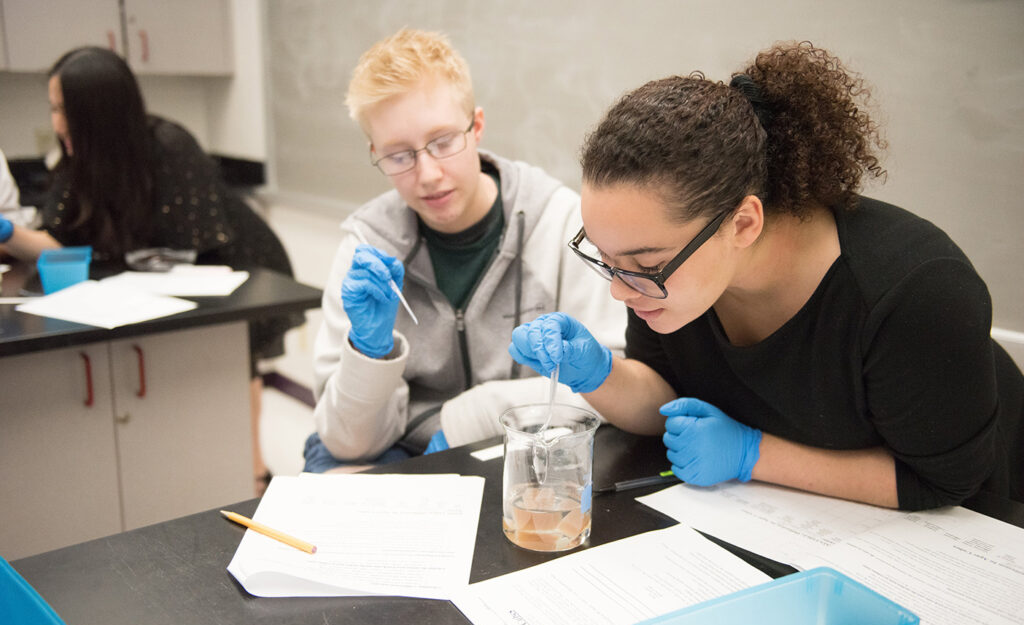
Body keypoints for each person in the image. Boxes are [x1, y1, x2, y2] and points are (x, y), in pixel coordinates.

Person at [509, 42, 1024, 511]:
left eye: (644, 266)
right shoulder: (673, 274)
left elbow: (941, 482)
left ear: (743, 223)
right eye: (606, 257)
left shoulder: (915, 290)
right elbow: (669, 399)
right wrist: (598, 374)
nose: (620, 289)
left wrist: (753, 456)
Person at [303, 28, 625, 472]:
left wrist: (475, 416)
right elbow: (349, 444)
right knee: (328, 477)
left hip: (530, 435)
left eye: (443, 142)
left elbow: (615, 388)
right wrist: (369, 353)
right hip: (405, 445)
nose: (429, 174)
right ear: (375, 152)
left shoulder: (560, 222)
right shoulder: (367, 247)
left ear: (476, 126)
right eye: (399, 155)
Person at [6, 46, 302, 493]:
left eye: (64, 110)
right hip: (161, 274)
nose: (56, 123)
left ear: (98, 110)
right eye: (52, 109)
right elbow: (60, 242)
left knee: (236, 358)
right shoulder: (76, 158)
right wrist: (7, 232)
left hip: (232, 259)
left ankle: (254, 475)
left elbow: (196, 250)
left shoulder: (169, 146)